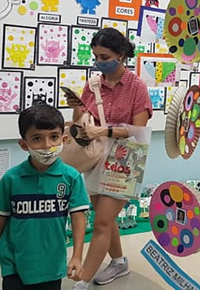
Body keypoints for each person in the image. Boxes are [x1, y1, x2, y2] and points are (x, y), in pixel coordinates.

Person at [68, 28, 153, 289]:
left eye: (104, 56)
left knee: (103, 221)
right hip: (96, 156)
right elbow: (79, 121)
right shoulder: (93, 83)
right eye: (95, 56)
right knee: (103, 216)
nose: (99, 62)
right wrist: (77, 110)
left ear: (121, 54)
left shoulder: (136, 86)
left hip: (127, 158)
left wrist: (103, 130)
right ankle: (119, 262)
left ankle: (82, 282)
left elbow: (138, 129)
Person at [0, 103, 89, 290]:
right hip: (14, 265)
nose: (47, 146)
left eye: (54, 137)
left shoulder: (72, 177)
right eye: (37, 138)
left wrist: (77, 256)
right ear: (23, 144)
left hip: (52, 266)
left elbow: (78, 217)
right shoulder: (11, 179)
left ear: (65, 139)